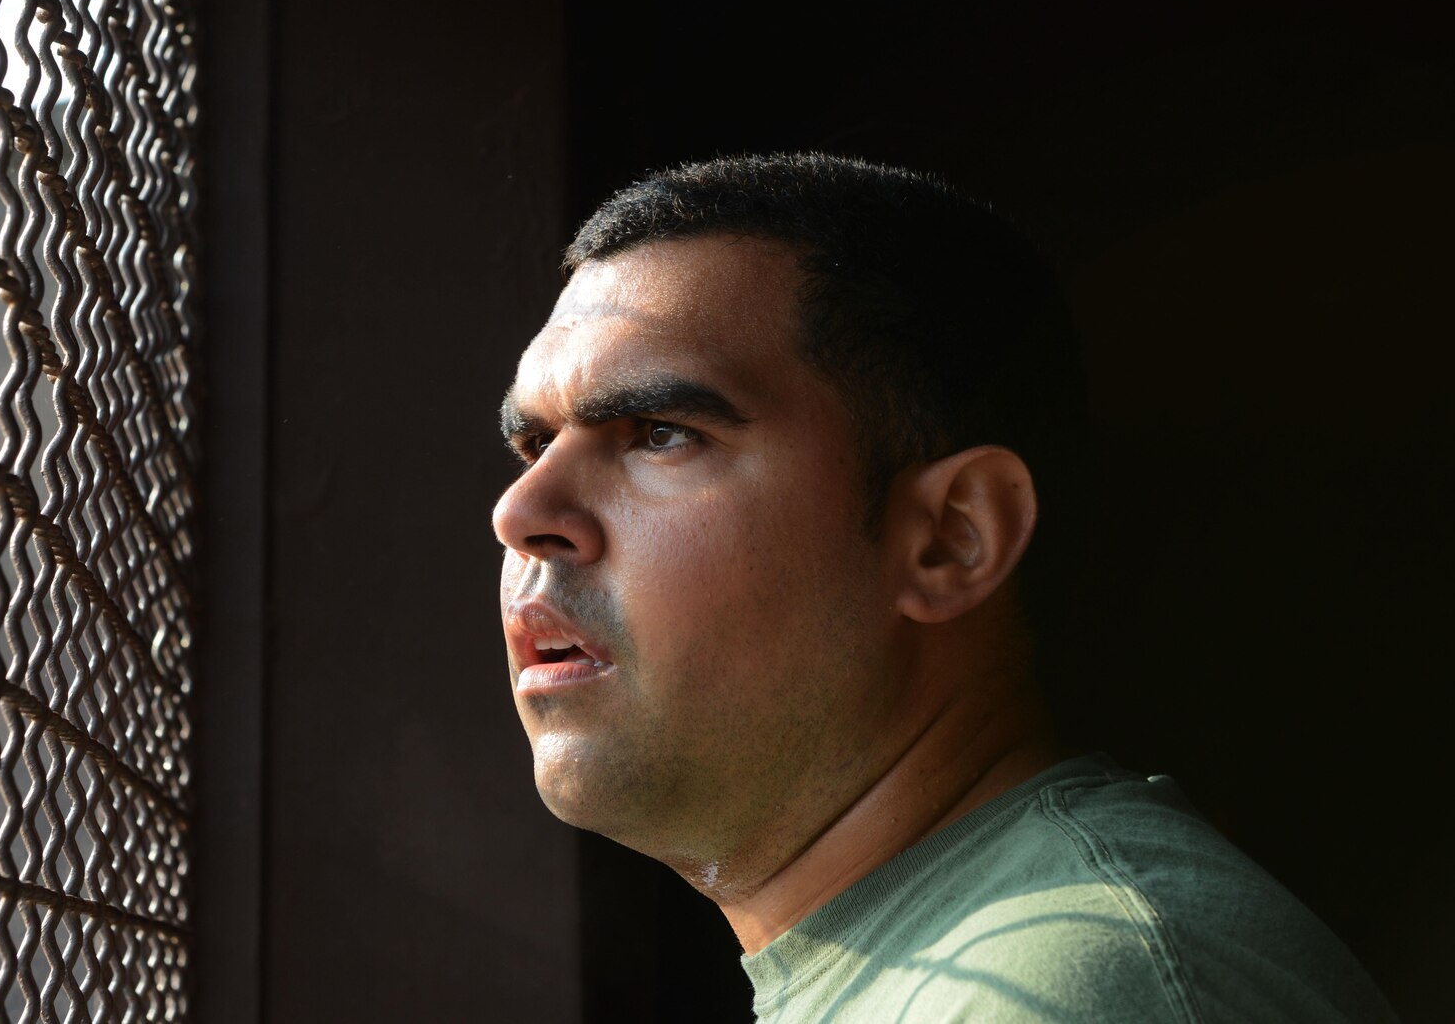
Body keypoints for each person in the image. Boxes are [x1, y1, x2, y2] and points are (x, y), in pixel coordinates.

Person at [491, 152, 1395, 1022]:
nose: (521, 509)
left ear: (952, 538)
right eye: (534, 444)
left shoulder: (1074, 985)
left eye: (658, 431)